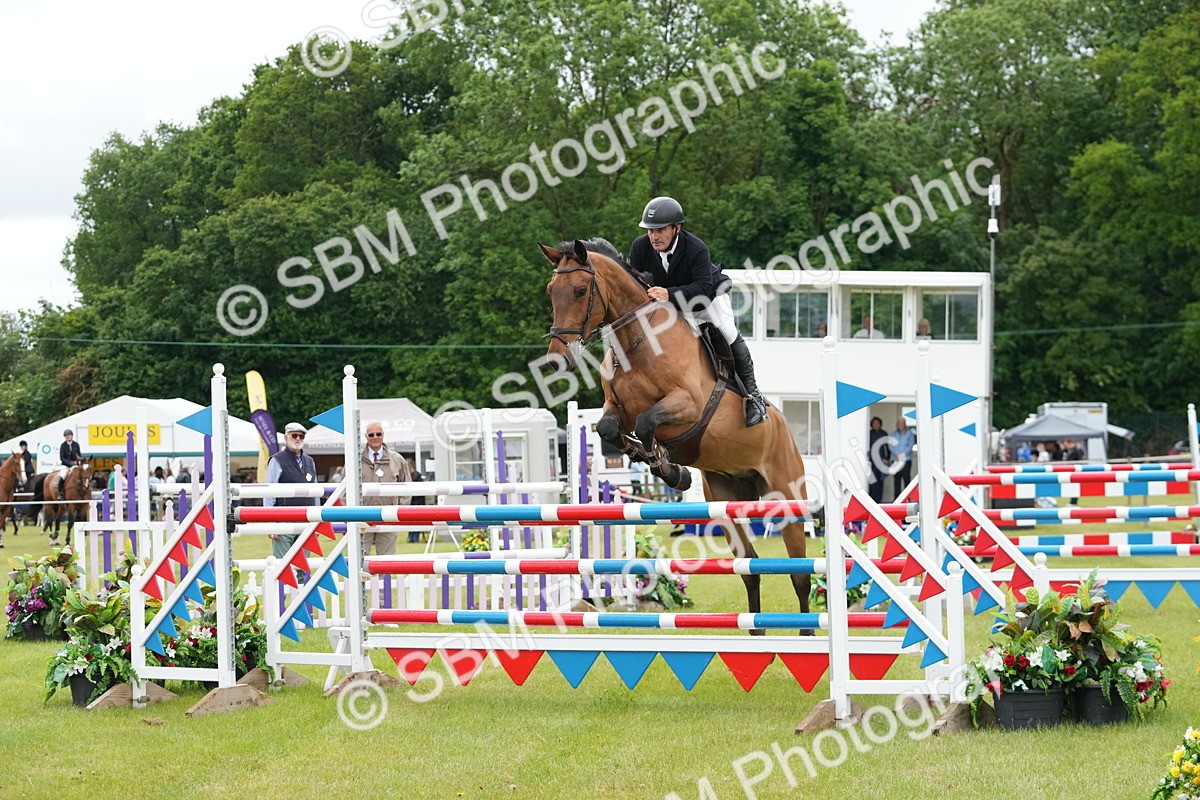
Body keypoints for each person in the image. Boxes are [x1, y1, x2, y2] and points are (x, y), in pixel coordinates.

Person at [627, 196, 768, 426]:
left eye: (660, 230)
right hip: (669, 304)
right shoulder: (640, 247)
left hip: (706, 299)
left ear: (677, 228)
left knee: (726, 331)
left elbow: (703, 288)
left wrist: (668, 294)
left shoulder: (696, 248)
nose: (654, 236)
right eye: (650, 230)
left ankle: (754, 397)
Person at [264, 423, 319, 565]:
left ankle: (302, 588)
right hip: (283, 520)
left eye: (301, 436)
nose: (298, 439)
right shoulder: (276, 460)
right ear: (286, 437)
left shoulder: (310, 461)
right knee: (282, 566)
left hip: (306, 520)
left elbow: (316, 493)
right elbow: (269, 493)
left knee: (303, 567)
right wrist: (271, 524)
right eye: (294, 435)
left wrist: (317, 521)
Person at [359, 421, 412, 556]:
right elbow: (345, 490)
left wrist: (401, 511)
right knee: (359, 560)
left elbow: (407, 487)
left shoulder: (397, 459)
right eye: (371, 434)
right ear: (366, 436)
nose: (375, 437)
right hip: (362, 517)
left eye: (378, 434)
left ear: (383, 435)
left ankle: (384, 579)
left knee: (386, 560)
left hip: (389, 517)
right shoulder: (355, 459)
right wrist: (349, 514)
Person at [867, 416, 891, 503]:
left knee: (880, 481)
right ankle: (872, 501)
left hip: (881, 462)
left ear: (880, 424)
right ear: (871, 425)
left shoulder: (884, 433)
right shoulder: (868, 433)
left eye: (877, 423)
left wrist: (887, 459)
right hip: (871, 462)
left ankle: (879, 501)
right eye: (874, 423)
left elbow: (887, 448)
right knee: (872, 481)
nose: (876, 425)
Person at [890, 417, 916, 491]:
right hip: (895, 460)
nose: (900, 424)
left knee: (906, 479)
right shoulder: (893, 434)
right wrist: (897, 454)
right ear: (896, 424)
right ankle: (897, 498)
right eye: (899, 423)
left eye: (902, 423)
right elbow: (890, 446)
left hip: (906, 460)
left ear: (905, 424)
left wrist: (901, 455)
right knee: (896, 480)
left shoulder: (910, 434)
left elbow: (910, 445)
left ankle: (907, 499)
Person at [57, 429, 83, 496]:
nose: (67, 437)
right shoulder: (63, 445)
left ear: (72, 436)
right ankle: (60, 492)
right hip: (65, 465)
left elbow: (79, 455)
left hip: (75, 464)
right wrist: (70, 463)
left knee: (81, 474)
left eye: (69, 435)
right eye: (66, 436)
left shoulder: (76, 444)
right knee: (63, 476)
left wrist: (79, 459)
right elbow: (62, 458)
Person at [406, 460, 426, 544]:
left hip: (417, 503)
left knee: (416, 521)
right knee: (411, 521)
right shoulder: (414, 477)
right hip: (414, 502)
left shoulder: (416, 479)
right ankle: (411, 538)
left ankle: (414, 538)